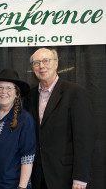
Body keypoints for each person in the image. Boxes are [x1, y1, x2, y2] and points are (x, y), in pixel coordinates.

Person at [26, 47, 95, 189]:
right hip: (37, 176)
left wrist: (80, 178)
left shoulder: (75, 93)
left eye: (46, 61)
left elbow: (84, 139)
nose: (41, 66)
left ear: (56, 63)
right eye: (36, 63)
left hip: (65, 176)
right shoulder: (30, 96)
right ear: (33, 68)